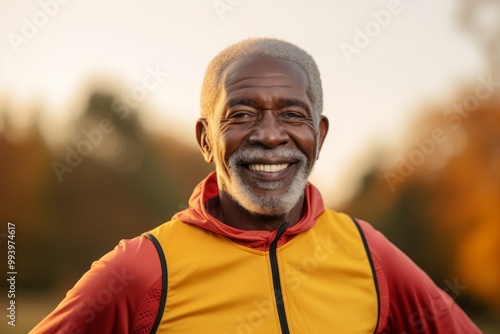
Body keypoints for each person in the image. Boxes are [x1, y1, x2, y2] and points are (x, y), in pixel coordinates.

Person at [30, 38, 481, 334]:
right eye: (241, 115)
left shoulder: (368, 252)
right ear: (207, 139)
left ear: (319, 136)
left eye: (292, 114)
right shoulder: (144, 269)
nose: (269, 135)